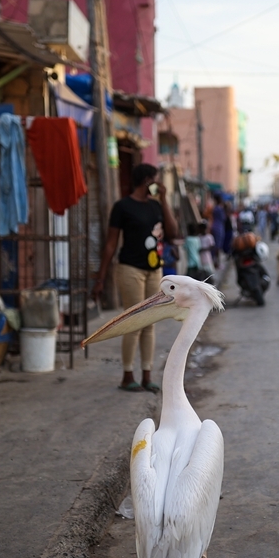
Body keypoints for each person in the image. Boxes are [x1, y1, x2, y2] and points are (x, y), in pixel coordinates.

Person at [93, 163, 179, 393]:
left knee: (150, 322)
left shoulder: (156, 206)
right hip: (130, 269)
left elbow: (173, 232)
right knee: (134, 321)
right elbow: (111, 243)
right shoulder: (122, 207)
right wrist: (101, 277)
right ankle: (127, 375)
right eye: (156, 180)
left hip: (154, 270)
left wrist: (164, 199)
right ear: (146, 181)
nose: (159, 185)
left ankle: (147, 375)